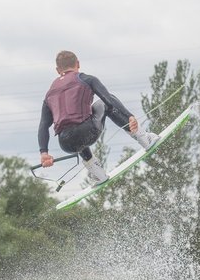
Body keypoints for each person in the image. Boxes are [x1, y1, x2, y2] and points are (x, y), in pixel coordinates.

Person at [38, 50, 159, 183]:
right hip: (88, 132)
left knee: (76, 126)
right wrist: (129, 117)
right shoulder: (87, 79)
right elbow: (109, 101)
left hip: (65, 143)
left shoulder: (49, 94)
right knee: (104, 103)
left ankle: (96, 172)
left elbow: (43, 125)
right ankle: (143, 138)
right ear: (78, 64)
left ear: (57, 70)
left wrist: (44, 153)